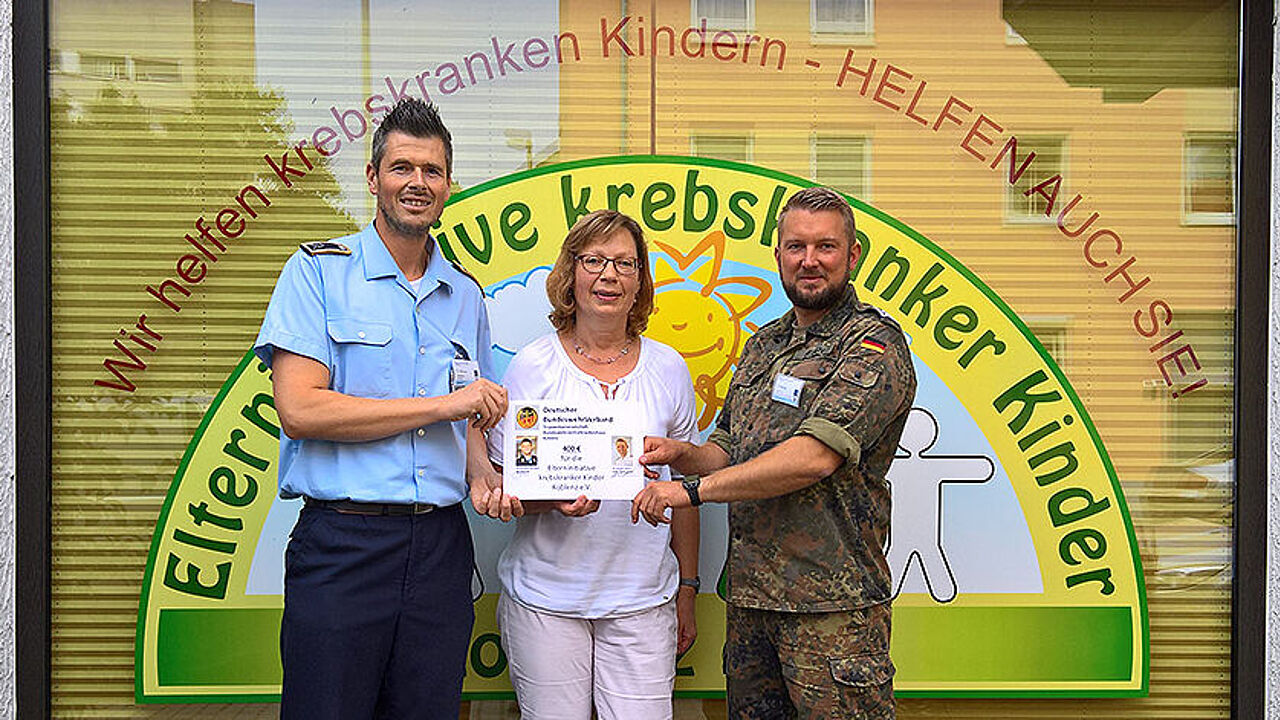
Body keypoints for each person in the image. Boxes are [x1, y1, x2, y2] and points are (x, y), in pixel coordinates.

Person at [254, 98, 514, 720]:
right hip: (345, 542)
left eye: (431, 170)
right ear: (373, 178)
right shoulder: (316, 273)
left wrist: (484, 474)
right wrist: (443, 404)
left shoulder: (465, 295)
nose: (416, 183)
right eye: (402, 167)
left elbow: (469, 420)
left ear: (448, 184)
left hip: (441, 549)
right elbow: (301, 410)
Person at [632, 187, 917, 719]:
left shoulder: (873, 345)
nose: (810, 261)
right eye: (796, 247)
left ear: (853, 256)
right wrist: (683, 454)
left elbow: (813, 457)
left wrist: (688, 490)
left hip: (832, 612)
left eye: (826, 247)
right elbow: (730, 447)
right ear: (780, 255)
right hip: (752, 605)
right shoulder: (765, 344)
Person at [482, 209, 700, 720]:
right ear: (570, 273)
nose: (608, 275)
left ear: (640, 280)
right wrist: (550, 500)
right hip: (545, 600)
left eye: (625, 264)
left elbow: (687, 490)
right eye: (594, 260)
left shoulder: (668, 367)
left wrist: (688, 590)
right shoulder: (531, 366)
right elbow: (503, 484)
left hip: (644, 600)